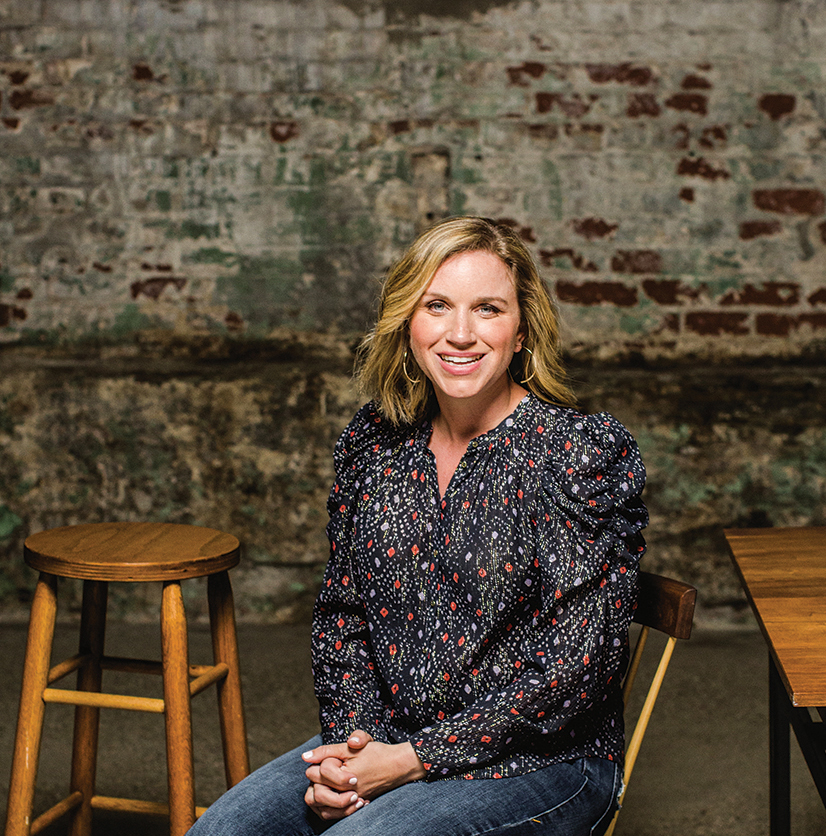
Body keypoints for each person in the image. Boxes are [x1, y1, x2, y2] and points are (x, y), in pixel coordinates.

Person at [188, 216, 648, 836]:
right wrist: (354, 759)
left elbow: (578, 666)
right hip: (389, 739)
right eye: (437, 306)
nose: (460, 333)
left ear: (521, 332)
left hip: (542, 762)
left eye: (487, 309)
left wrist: (409, 763)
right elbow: (343, 617)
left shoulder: (576, 454)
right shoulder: (374, 444)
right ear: (409, 326)